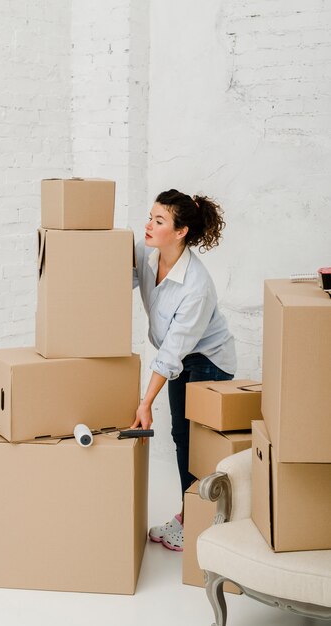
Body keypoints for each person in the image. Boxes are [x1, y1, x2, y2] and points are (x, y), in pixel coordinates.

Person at [131, 188, 236, 551]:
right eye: (150, 216)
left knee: (196, 442)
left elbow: (172, 353)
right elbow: (112, 281)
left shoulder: (196, 286)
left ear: (180, 232)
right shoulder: (147, 254)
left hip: (209, 360)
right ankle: (190, 514)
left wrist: (145, 403)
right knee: (181, 438)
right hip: (181, 357)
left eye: (158, 221)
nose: (148, 225)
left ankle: (199, 523)